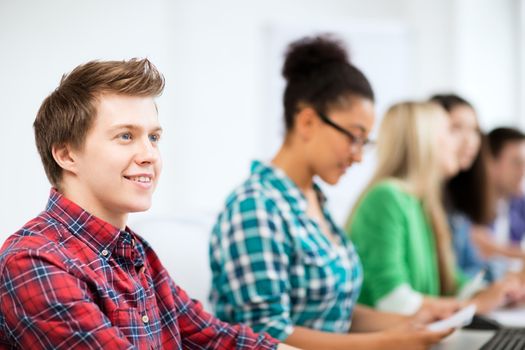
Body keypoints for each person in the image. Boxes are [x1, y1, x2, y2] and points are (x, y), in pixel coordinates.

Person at [0, 58, 298, 350]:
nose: (150, 155)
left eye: (154, 137)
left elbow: (215, 337)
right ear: (66, 155)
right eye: (125, 136)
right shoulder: (33, 261)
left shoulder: (135, 251)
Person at [209, 36, 452, 350]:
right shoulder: (255, 206)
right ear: (308, 121)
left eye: (365, 142)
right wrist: (386, 342)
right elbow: (267, 335)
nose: (359, 155)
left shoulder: (315, 202)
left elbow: (335, 313)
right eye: (354, 136)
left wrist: (412, 324)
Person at [347, 101, 521, 317]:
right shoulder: (387, 197)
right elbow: (393, 301)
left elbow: (449, 281)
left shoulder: (421, 202)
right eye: (451, 132)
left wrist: (492, 293)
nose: (460, 143)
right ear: (424, 140)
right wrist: (474, 306)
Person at [430, 94, 494, 279]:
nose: (470, 141)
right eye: (456, 128)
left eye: (474, 130)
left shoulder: (454, 196)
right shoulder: (407, 198)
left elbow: (470, 267)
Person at [474, 127, 525, 277]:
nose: (523, 171)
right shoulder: (469, 201)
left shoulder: (518, 203)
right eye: (516, 163)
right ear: (490, 163)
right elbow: (481, 247)